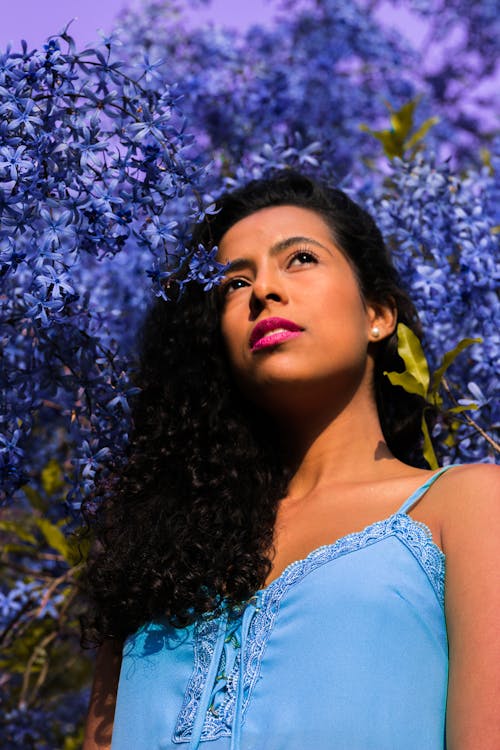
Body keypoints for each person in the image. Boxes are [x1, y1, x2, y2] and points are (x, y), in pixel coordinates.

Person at [82, 171, 499, 750]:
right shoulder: (154, 555)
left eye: (300, 258)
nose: (263, 291)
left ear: (377, 315)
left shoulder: (470, 504)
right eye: (233, 283)